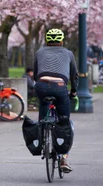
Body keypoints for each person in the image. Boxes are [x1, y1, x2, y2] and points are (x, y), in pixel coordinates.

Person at [33, 28, 78, 173]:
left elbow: (35, 73)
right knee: (65, 122)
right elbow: (74, 75)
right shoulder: (68, 53)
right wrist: (73, 91)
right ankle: (64, 157)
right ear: (61, 40)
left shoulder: (39, 52)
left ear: (47, 40)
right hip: (60, 87)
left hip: (41, 86)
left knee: (44, 107)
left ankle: (41, 138)